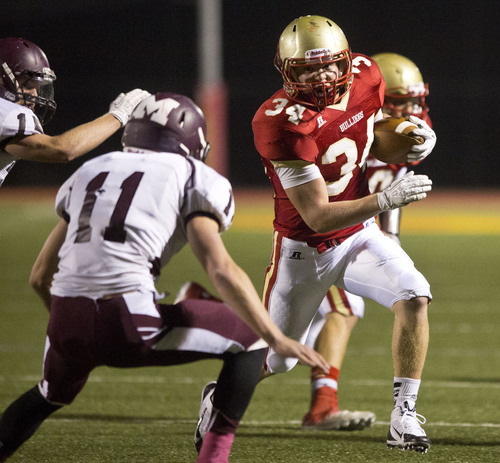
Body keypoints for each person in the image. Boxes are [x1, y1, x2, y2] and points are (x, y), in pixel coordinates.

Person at [0, 92, 328, 463]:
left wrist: (76, 327)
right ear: (191, 139)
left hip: (65, 319)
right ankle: (214, 458)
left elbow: (40, 276)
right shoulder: (191, 174)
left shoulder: (91, 170)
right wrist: (276, 337)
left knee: (49, 394)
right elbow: (220, 268)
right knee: (251, 337)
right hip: (127, 318)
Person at [249, 15, 435, 454]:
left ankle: (403, 417)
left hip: (360, 234)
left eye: (330, 65)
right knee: (279, 358)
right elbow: (316, 215)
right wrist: (387, 199)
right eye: (307, 69)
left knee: (414, 294)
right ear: (286, 71)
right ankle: (219, 395)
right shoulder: (280, 122)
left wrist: (408, 140)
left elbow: (372, 137)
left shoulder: (369, 75)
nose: (322, 76)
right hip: (305, 249)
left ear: (347, 60)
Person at [301, 52, 433, 432]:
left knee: (311, 325)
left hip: (366, 234)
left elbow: (394, 191)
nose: (412, 108)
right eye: (402, 101)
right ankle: (322, 407)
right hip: (326, 236)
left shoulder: (405, 127)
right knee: (335, 315)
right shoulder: (355, 131)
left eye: (415, 99)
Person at [0, 37, 150, 186]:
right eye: (28, 85)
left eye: (38, 87)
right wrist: (119, 114)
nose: (35, 95)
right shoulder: (7, 113)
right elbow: (61, 149)